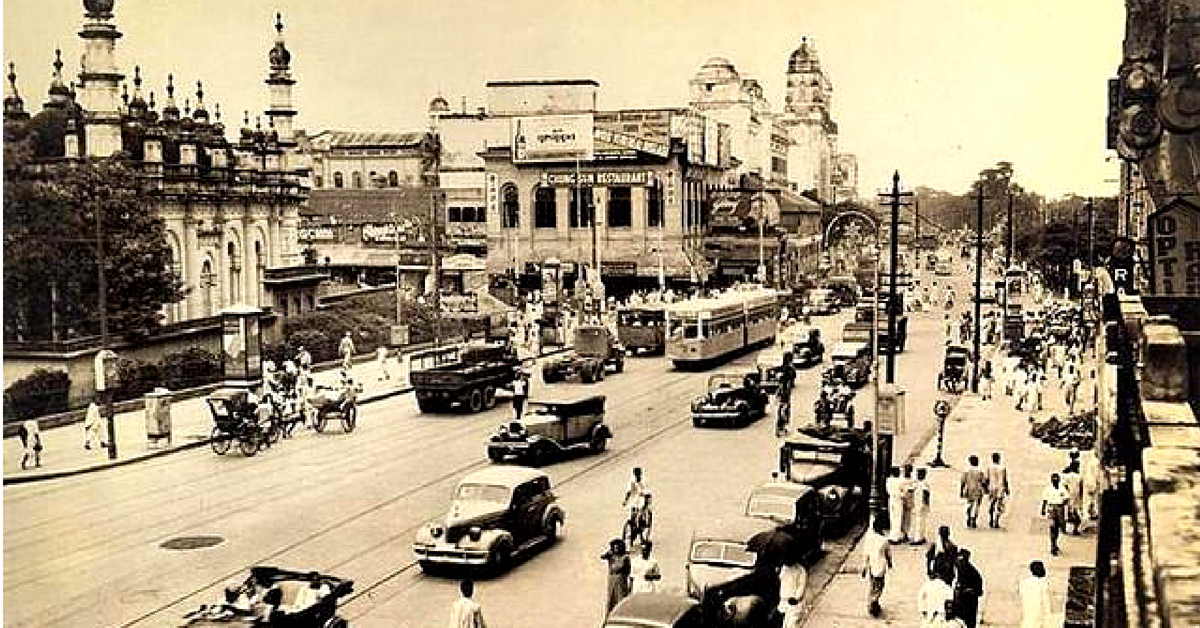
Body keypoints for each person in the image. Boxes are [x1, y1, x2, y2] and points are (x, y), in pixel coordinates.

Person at [862, 517, 893, 617]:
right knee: (880, 585)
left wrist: (864, 567)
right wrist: (890, 563)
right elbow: (888, 554)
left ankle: (872, 601)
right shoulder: (884, 540)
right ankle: (874, 600)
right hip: (881, 567)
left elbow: (866, 554)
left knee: (872, 584)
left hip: (872, 565)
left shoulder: (870, 540)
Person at [1040, 473, 1070, 556]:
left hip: (1060, 509)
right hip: (1051, 509)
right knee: (1052, 527)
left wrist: (1063, 505)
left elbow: (1066, 498)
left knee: (1058, 527)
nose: (1055, 481)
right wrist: (1043, 509)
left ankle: (1055, 543)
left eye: (1056, 480)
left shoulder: (1062, 488)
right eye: (1053, 480)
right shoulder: (1048, 489)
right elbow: (1045, 500)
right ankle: (1052, 545)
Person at [953, 549, 983, 628]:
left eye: (962, 560)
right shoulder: (959, 568)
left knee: (969, 623)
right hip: (959, 602)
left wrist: (968, 591)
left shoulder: (974, 573)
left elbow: (979, 591)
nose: (959, 562)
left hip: (969, 603)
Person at [601, 539, 632, 614]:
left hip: (621, 581)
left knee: (620, 598)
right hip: (612, 579)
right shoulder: (611, 556)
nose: (616, 549)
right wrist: (609, 552)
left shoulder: (625, 558)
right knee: (611, 598)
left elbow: (628, 571)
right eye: (614, 548)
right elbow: (602, 556)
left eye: (617, 548)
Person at [1019, 561, 1052, 628]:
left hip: (1027, 615)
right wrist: (1048, 619)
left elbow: (1022, 597)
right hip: (1039, 617)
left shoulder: (1023, 583)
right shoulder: (1044, 584)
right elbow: (1046, 603)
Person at [623, 468, 651, 543]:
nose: (637, 475)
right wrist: (625, 500)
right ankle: (631, 530)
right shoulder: (632, 482)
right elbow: (629, 491)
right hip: (635, 499)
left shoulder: (644, 481)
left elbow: (647, 492)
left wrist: (646, 499)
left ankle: (642, 536)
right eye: (635, 474)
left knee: (640, 516)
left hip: (642, 499)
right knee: (632, 515)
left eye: (638, 474)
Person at [960, 456, 987, 529]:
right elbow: (983, 481)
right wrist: (986, 489)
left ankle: (968, 516)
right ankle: (974, 519)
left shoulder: (966, 471)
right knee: (977, 505)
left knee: (969, 504)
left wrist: (961, 490)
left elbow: (962, 481)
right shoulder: (980, 471)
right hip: (978, 489)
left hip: (969, 489)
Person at [777, 557, 807, 624]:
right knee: (785, 623)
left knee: (792, 623)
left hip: (793, 602)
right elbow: (781, 579)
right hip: (784, 600)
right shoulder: (784, 568)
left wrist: (796, 597)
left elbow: (801, 585)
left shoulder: (800, 570)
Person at [986, 453, 1011, 528]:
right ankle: (996, 521)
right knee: (999, 505)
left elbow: (987, 478)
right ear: (999, 459)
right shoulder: (1002, 468)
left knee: (992, 504)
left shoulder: (989, 468)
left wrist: (986, 487)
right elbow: (1005, 479)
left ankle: (990, 519)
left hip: (992, 487)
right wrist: (1007, 489)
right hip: (1000, 488)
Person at [1062, 452, 1083, 535]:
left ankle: (1065, 529)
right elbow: (1081, 489)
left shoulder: (1067, 476)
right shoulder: (1078, 477)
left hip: (1069, 496)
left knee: (1067, 513)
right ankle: (1075, 529)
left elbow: (1064, 486)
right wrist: (1081, 499)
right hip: (1075, 496)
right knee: (1075, 514)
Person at [885, 467, 907, 543]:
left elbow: (888, 491)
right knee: (898, 518)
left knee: (892, 518)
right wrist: (904, 493)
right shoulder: (900, 481)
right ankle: (896, 537)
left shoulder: (889, 480)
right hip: (898, 500)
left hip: (891, 500)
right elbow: (903, 493)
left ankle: (893, 535)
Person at [911, 468, 932, 544]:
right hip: (917, 503)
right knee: (920, 521)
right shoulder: (917, 483)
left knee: (919, 521)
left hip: (920, 504)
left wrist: (926, 504)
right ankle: (921, 536)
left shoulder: (924, 484)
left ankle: (918, 538)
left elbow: (926, 495)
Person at [901, 465, 917, 542]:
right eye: (906, 470)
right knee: (900, 517)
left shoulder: (913, 480)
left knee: (908, 518)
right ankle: (900, 533)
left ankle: (905, 533)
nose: (907, 472)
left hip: (909, 501)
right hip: (901, 501)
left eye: (909, 470)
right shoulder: (901, 479)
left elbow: (914, 488)